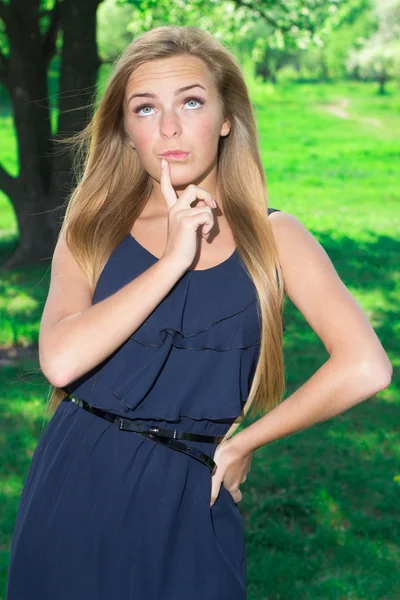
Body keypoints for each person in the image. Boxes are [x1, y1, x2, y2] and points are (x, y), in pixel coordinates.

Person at [6, 25, 392, 600]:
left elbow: (366, 366)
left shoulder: (275, 236)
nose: (168, 128)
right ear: (124, 129)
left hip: (192, 491)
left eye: (190, 101)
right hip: (79, 478)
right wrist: (170, 261)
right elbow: (61, 361)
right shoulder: (92, 228)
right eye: (144, 108)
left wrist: (244, 444)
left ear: (226, 117)